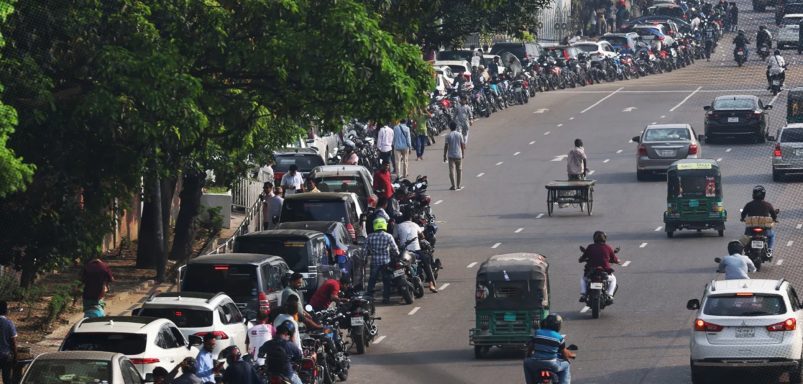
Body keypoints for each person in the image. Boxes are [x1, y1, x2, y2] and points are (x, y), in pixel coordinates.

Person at [522, 314, 575, 384]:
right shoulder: (559, 338)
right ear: (558, 325)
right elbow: (564, 353)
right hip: (552, 365)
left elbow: (530, 347)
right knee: (566, 365)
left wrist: (528, 356)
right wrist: (569, 358)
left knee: (526, 362)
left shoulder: (537, 333)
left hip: (535, 363)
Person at [395, 210, 438, 293]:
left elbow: (395, 237)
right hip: (416, 250)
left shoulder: (399, 226)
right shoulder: (415, 225)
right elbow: (422, 236)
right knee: (426, 263)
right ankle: (431, 284)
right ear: (411, 218)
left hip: (404, 251)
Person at [578, 231, 620, 304]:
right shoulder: (608, 247)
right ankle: (610, 296)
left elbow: (583, 257)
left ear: (594, 238)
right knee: (613, 279)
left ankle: (583, 295)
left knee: (583, 279)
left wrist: (581, 259)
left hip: (591, 272)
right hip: (604, 271)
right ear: (605, 238)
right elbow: (615, 259)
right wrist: (617, 261)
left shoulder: (590, 247)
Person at [366, 217, 399, 304]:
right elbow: (395, 249)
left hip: (374, 262)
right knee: (386, 280)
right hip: (386, 262)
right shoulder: (388, 236)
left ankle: (369, 297)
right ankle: (386, 298)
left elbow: (365, 250)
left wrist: (364, 260)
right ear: (384, 225)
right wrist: (397, 256)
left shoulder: (369, 236)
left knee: (372, 280)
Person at [740, 185, 778, 257]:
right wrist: (774, 219)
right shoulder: (768, 204)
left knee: (745, 237)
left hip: (751, 230)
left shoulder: (749, 204)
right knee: (772, 235)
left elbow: (743, 214)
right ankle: (770, 249)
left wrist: (742, 218)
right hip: (765, 229)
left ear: (753, 194)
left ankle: (744, 250)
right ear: (764, 195)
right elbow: (774, 215)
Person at [80, 254, 114, 318]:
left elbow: (81, 279)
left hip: (87, 295)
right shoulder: (104, 266)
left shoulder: (87, 266)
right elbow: (111, 279)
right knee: (100, 310)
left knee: (87, 311)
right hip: (99, 294)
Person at [443, 121, 466, 191]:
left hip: (451, 156)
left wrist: (444, 155)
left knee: (451, 171)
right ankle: (458, 185)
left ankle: (453, 185)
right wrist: (463, 153)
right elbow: (462, 145)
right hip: (458, 155)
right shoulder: (459, 134)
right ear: (456, 127)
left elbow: (446, 146)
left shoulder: (448, 136)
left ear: (450, 127)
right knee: (459, 170)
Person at [0, 301, 16, 384]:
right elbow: (13, 342)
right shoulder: (9, 323)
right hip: (5, 356)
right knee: (6, 378)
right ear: (5, 310)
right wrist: (15, 355)